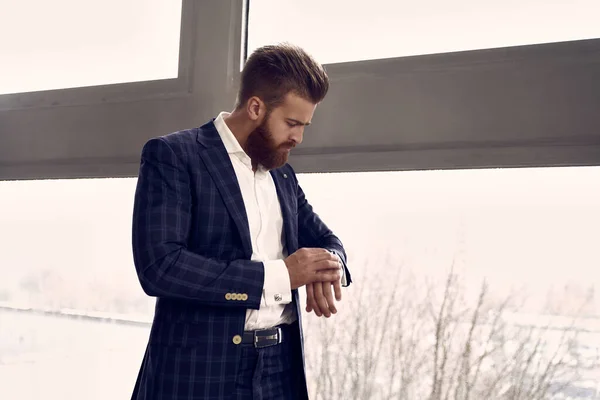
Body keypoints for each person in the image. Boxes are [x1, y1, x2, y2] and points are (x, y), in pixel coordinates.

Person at [130, 43, 352, 400]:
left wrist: (329, 266)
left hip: (281, 367)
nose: (298, 137)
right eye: (292, 123)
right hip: (199, 372)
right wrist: (284, 275)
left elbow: (327, 240)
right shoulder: (174, 156)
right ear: (255, 107)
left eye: (304, 125)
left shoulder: (282, 175)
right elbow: (160, 267)